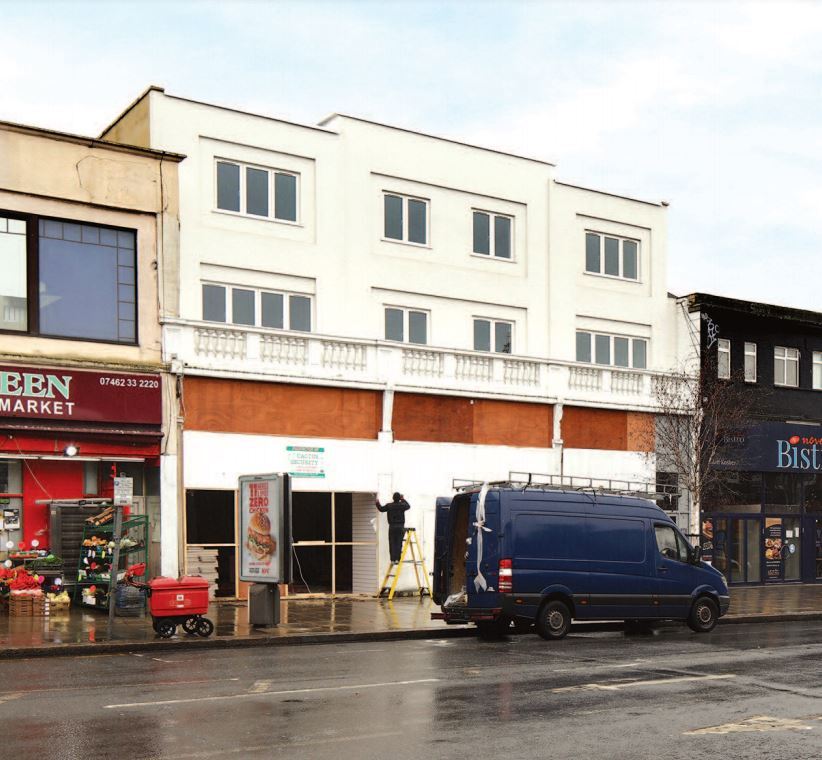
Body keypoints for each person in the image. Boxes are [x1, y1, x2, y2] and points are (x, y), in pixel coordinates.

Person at [376, 492, 410, 564]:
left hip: (392, 527)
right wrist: (403, 499)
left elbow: (381, 509)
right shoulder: (402, 505)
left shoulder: (389, 505)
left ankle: (392, 560)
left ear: (393, 498)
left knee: (392, 543)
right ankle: (397, 559)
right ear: (399, 498)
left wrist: (377, 503)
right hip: (400, 527)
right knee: (399, 543)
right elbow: (408, 506)